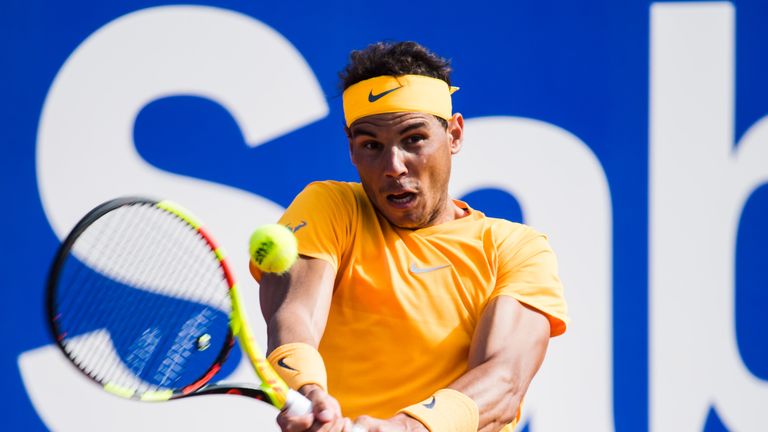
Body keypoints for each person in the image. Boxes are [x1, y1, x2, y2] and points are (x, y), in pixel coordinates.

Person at [251, 41, 569, 432]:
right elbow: (293, 313)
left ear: (453, 135)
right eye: (371, 145)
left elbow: (504, 381)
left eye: (414, 139)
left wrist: (406, 427)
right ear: (351, 148)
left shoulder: (515, 249)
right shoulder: (329, 206)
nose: (394, 166)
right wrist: (309, 390)